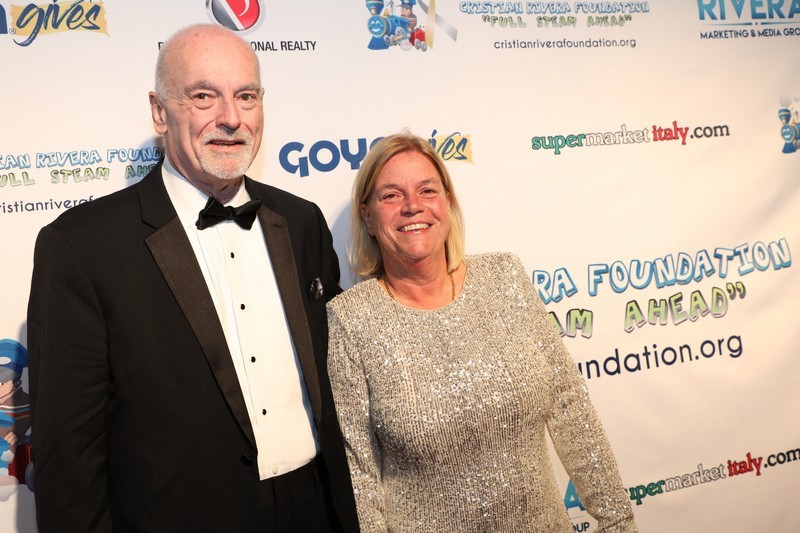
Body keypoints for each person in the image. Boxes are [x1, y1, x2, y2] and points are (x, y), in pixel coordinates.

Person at [27, 24, 358, 532]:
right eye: (204, 96)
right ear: (160, 111)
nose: (231, 117)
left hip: (314, 512)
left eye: (246, 96)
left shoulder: (302, 222)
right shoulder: (81, 247)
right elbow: (69, 459)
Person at [326, 131, 637, 532]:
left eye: (427, 190)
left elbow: (570, 409)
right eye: (391, 195)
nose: (412, 205)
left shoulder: (505, 278)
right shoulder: (350, 319)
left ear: (448, 202)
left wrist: (618, 522)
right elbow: (359, 476)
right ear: (368, 217)